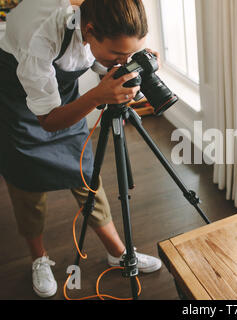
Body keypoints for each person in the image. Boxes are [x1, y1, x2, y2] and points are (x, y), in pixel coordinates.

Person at [0, 0, 162, 298]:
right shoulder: (41, 36)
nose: (123, 60)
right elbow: (49, 121)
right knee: (27, 184)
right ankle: (39, 258)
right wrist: (98, 95)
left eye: (131, 52)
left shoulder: (104, 17)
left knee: (86, 171)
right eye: (118, 54)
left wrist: (127, 65)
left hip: (60, 91)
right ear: (89, 31)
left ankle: (118, 251)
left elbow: (100, 59)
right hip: (17, 95)